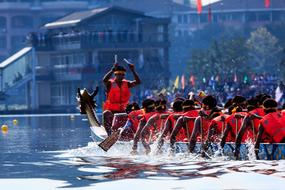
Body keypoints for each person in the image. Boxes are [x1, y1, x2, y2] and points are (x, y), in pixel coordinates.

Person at [102, 61, 141, 135]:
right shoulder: (110, 83)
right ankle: (109, 135)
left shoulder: (127, 83)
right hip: (112, 111)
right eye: (119, 74)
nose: (121, 76)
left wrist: (133, 70)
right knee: (106, 113)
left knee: (136, 111)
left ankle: (136, 132)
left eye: (123, 74)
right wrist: (112, 70)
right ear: (115, 75)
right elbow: (104, 80)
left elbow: (138, 82)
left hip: (124, 110)